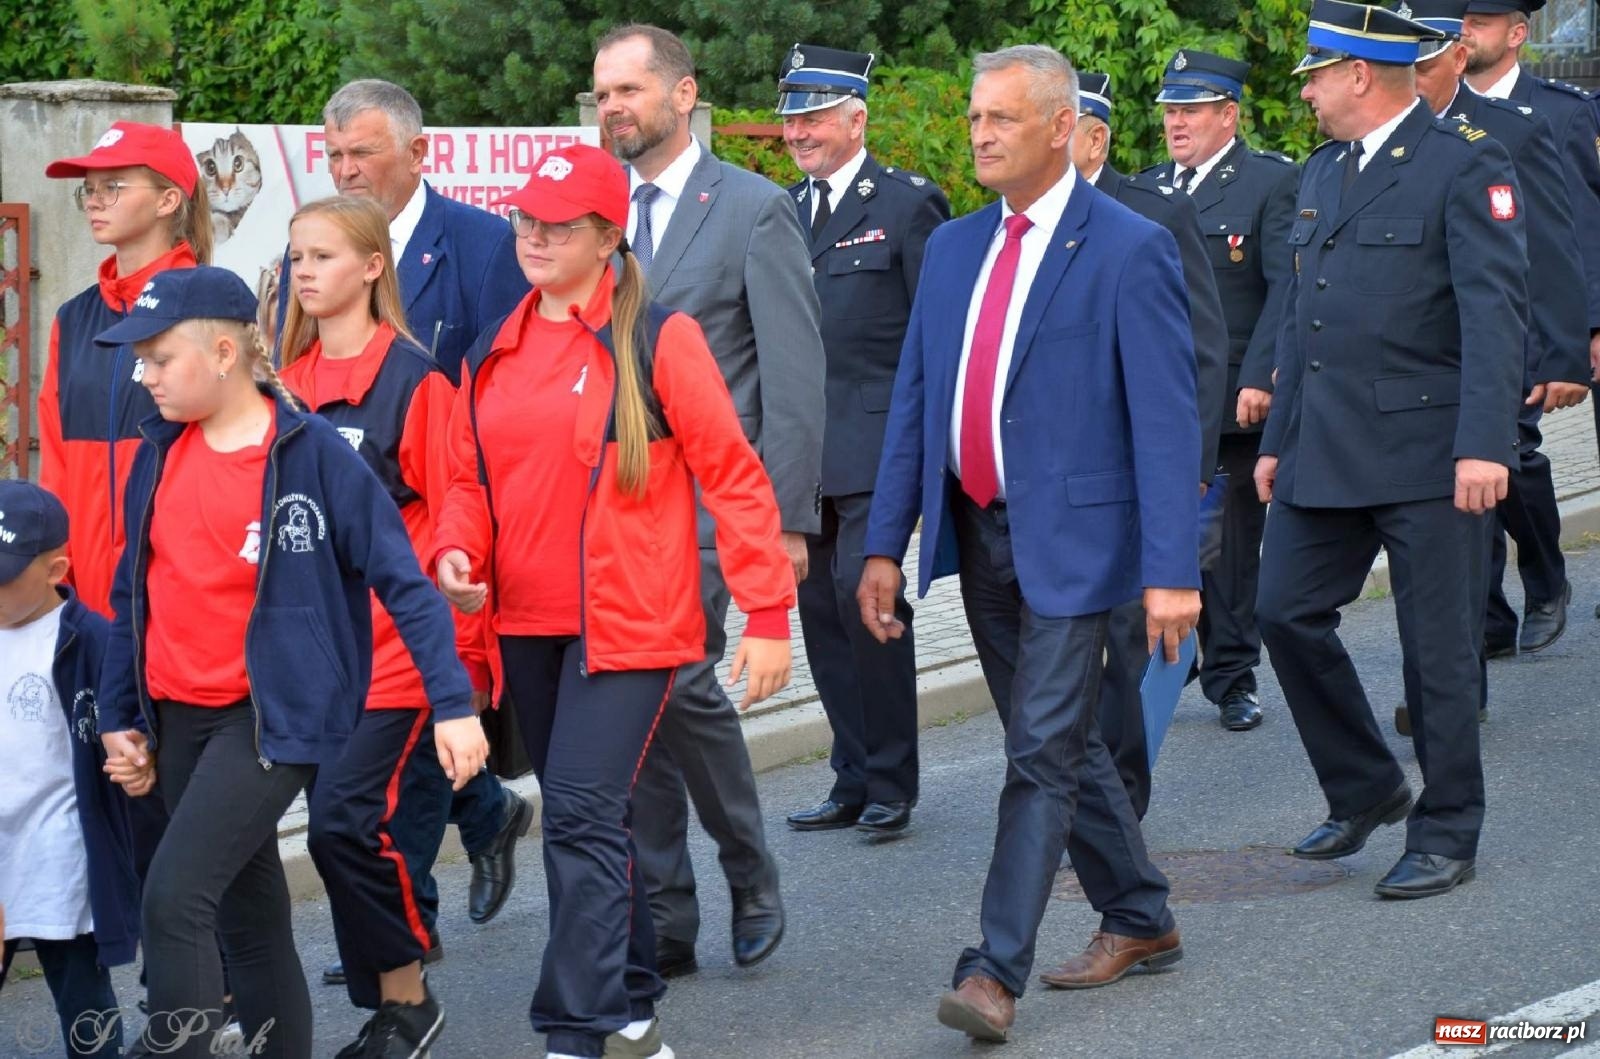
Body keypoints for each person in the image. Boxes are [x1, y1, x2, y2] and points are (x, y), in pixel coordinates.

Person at [860, 44, 1197, 1043]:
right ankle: (1139, 913)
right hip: (978, 531)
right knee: (1058, 741)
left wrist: (1172, 573)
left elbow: (1169, 420)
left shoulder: (1130, 248)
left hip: (1081, 542)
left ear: (1060, 128)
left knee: (1039, 753)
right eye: (973, 118)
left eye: (1000, 119)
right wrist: (886, 543)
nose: (978, 134)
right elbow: (916, 401)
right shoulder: (956, 247)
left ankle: (990, 971)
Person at [433, 142, 795, 1059]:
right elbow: (469, 480)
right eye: (526, 220)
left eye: (557, 225)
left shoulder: (657, 336)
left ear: (607, 235)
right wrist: (455, 550)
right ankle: (631, 1001)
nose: (534, 236)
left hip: (630, 629)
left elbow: (735, 478)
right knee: (590, 812)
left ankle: (578, 1028)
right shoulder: (495, 344)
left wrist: (765, 616)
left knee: (585, 814)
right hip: (526, 626)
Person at [92, 266, 488, 1059]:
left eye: (160, 357)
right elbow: (129, 593)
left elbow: (406, 588)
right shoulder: (157, 452)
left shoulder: (312, 458)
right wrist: (119, 717)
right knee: (249, 911)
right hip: (173, 715)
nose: (146, 374)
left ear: (226, 351)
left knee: (175, 897)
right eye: (140, 359)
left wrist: (452, 703)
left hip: (268, 719)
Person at [1255, 0, 1527, 901]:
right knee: (1284, 611)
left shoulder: (1463, 164)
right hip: (1323, 446)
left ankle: (1447, 829)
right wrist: (1277, 438)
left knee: (1436, 649)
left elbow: (1495, 315)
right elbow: (1301, 316)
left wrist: (1486, 445)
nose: (1309, 94)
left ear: (1358, 74)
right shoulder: (1323, 171)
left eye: (1316, 76)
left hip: (1429, 451)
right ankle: (1367, 785)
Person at [592, 23, 825, 977]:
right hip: (613, 509)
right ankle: (667, 915)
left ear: (683, 95)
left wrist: (786, 523)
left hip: (709, 506)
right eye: (601, 92)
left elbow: (794, 374)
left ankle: (747, 862)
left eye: (629, 90)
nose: (612, 107)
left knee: (680, 679)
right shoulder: (592, 213)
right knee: (633, 700)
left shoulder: (754, 209)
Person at [304, 77, 532, 950]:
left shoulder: (478, 245)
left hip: (451, 521)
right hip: (345, 559)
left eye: (363, 151)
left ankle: (404, 940)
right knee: (400, 743)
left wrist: (466, 540)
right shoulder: (318, 255)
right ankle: (485, 817)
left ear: (418, 152)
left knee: (413, 740)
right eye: (335, 155)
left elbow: (500, 383)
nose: (347, 169)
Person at [276, 195, 479, 1057]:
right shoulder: (282, 384)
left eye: (323, 255)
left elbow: (459, 488)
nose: (305, 272)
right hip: (304, 656)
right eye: (296, 257)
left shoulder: (415, 378)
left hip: (392, 652)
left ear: (370, 267)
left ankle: (407, 996)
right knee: (321, 831)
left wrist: (458, 556)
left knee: (344, 826)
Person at [1399, 0, 1590, 733]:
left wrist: (1570, 346)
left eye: (1425, 58)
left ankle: (1540, 587)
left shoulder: (1517, 130)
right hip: (1421, 364)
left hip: (1500, 346)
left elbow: (1557, 244)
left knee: (1507, 469)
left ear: (1454, 53)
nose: (1411, 75)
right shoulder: (1389, 141)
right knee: (1456, 510)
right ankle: (1473, 646)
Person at [776, 44, 950, 837]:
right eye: (791, 118)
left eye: (813, 116)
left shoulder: (908, 204)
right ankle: (851, 773)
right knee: (819, 610)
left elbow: (935, 337)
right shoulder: (783, 209)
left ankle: (891, 779)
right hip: (805, 450)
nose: (799, 132)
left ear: (857, 118)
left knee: (867, 597)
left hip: (880, 443)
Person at [1072, 70, 1230, 818]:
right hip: (1064, 471)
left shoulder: (1154, 213)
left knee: (1127, 641)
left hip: (1138, 464)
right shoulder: (1017, 220)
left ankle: (1122, 802)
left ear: (1094, 136)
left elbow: (1200, 349)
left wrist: (1193, 469)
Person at [1137, 50, 1301, 734]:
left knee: (1230, 548)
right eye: (1171, 111)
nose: (1177, 123)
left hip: (1231, 400)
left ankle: (1233, 673)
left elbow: (1283, 289)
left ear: (1228, 114)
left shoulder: (1268, 183)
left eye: (1191, 110)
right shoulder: (1145, 188)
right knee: (1165, 534)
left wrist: (1261, 375)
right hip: (1158, 398)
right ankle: (1176, 656)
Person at [1459, 0, 1598, 648]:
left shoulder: (1564, 112)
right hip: (1467, 320)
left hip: (1537, 320)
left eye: (1482, 22)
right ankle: (1487, 616)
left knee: (1514, 457)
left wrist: (1583, 333)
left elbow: (1579, 230)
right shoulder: (1440, 113)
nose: (1466, 31)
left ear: (1517, 34)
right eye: (1461, 19)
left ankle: (1546, 579)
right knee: (1464, 464)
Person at [39, 121, 211, 621]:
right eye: (88, 190)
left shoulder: (206, 308)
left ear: (167, 201)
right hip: (87, 601)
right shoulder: (73, 319)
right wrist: (57, 570)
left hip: (184, 602)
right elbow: (56, 458)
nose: (94, 201)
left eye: (112, 187)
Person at [0, 482, 139, 1058]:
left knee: (82, 997)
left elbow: (128, 731)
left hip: (59, 854)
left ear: (57, 568)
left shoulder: (94, 641)